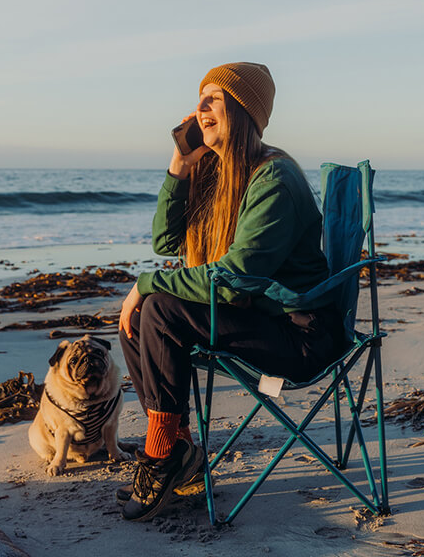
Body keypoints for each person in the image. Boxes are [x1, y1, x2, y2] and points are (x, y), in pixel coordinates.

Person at [117, 62, 343, 522]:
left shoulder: (274, 178)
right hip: (262, 318)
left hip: (301, 334)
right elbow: (165, 242)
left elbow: (236, 276)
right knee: (139, 320)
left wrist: (146, 283)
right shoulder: (218, 173)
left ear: (242, 112)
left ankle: (161, 457)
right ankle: (177, 448)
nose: (199, 110)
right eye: (199, 99)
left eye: (213, 100)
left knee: (157, 308)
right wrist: (180, 165)